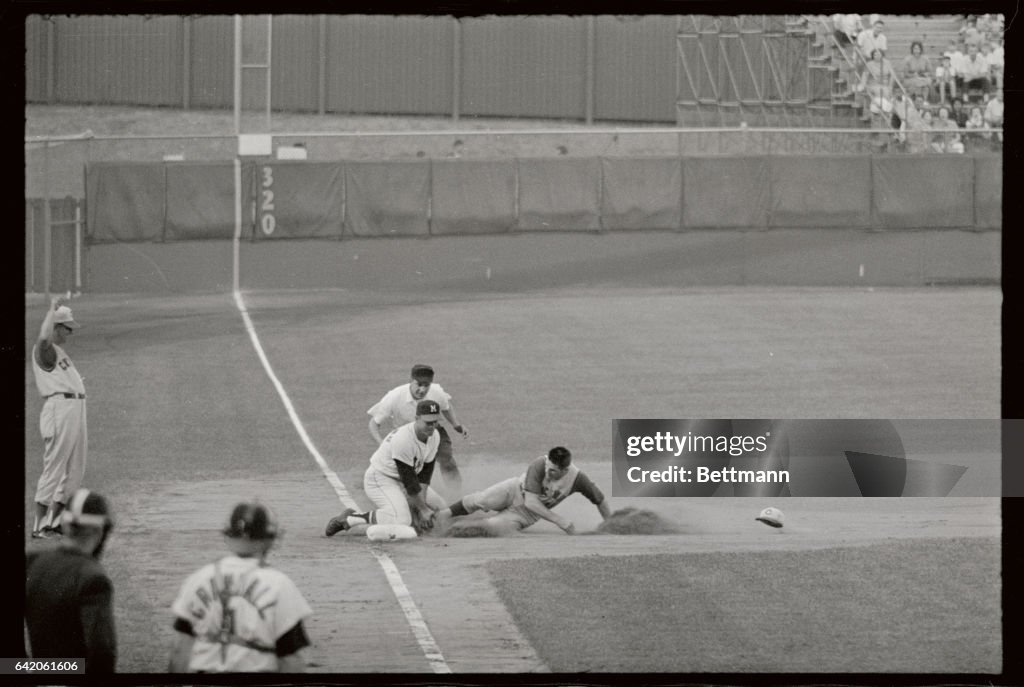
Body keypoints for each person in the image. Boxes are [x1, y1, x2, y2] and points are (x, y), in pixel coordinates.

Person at [169, 501, 313, 673]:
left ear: (228, 536)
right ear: (270, 540)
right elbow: (291, 659)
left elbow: (179, 648)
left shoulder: (199, 578)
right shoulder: (279, 585)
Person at [25, 488, 117, 674]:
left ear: (65, 526)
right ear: (100, 531)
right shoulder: (94, 578)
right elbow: (102, 653)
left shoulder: (30, 560)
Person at [326, 399, 448, 536]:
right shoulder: (403, 439)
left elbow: (425, 475)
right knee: (402, 519)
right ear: (417, 418)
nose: (432, 426)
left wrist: (423, 506)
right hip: (381, 479)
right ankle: (350, 518)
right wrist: (422, 510)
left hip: (404, 479)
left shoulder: (434, 436)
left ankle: (415, 518)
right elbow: (409, 482)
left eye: (435, 422)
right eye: (428, 422)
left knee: (440, 506)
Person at [433, 446, 612, 537]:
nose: (548, 472)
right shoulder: (539, 464)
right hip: (513, 490)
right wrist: (560, 521)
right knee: (483, 499)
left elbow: (600, 500)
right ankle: (443, 515)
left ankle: (452, 530)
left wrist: (610, 525)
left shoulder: (577, 479)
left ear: (565, 470)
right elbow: (531, 500)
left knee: (493, 526)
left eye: (553, 471)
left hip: (527, 515)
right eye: (548, 467)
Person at [31, 294, 87, 539]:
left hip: (75, 409)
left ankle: (54, 523)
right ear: (55, 327)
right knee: (54, 467)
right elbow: (43, 336)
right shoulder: (44, 350)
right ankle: (38, 527)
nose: (70, 333)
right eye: (66, 328)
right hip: (59, 409)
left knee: (75, 468)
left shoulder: (58, 351)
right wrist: (51, 310)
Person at [366, 364, 468, 498]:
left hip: (433, 431)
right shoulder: (394, 396)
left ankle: (456, 494)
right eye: (419, 384)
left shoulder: (436, 392)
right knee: (409, 470)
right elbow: (374, 423)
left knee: (447, 460)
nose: (422, 389)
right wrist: (381, 444)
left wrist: (456, 425)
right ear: (411, 381)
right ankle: (405, 497)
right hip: (406, 437)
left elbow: (446, 407)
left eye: (426, 385)